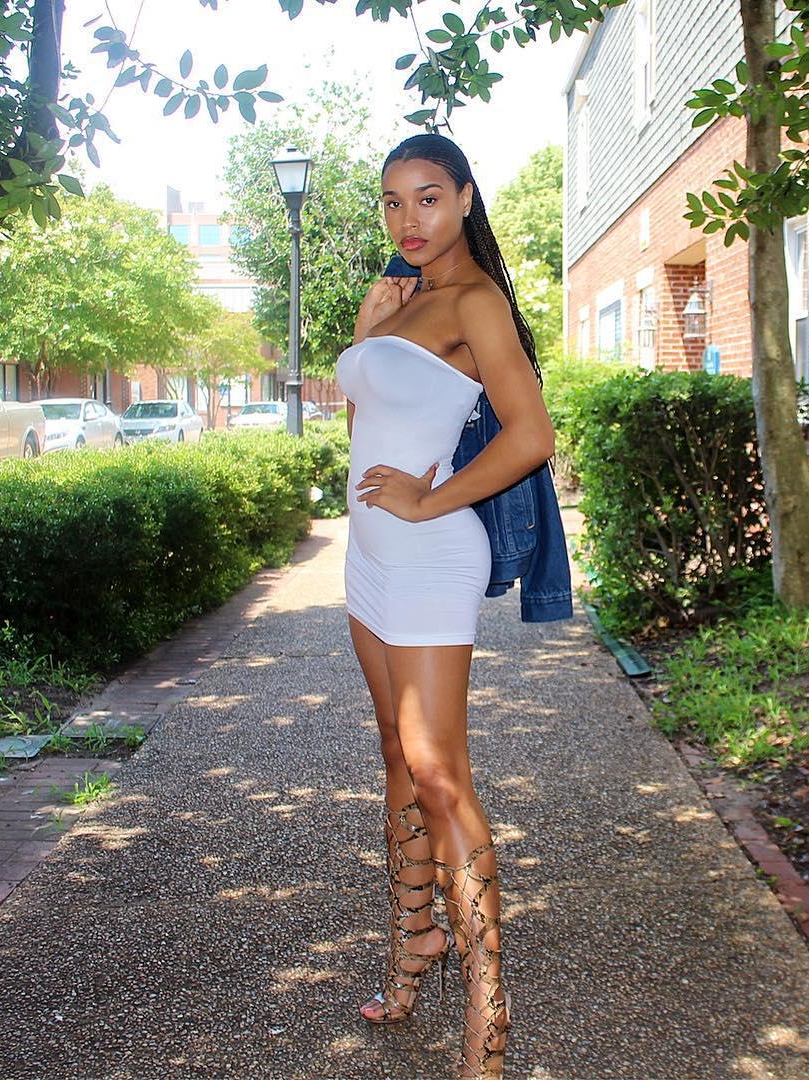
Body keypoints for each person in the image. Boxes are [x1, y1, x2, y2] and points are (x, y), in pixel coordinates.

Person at [334, 132, 561, 1079]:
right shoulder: (400, 297)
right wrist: (366, 329)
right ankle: (412, 945)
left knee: (438, 771)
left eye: (427, 197)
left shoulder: (475, 301)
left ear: (466, 198)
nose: (408, 219)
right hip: (368, 557)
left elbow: (532, 433)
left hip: (430, 554)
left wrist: (431, 500)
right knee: (394, 751)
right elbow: (368, 422)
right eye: (392, 201)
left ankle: (489, 1011)